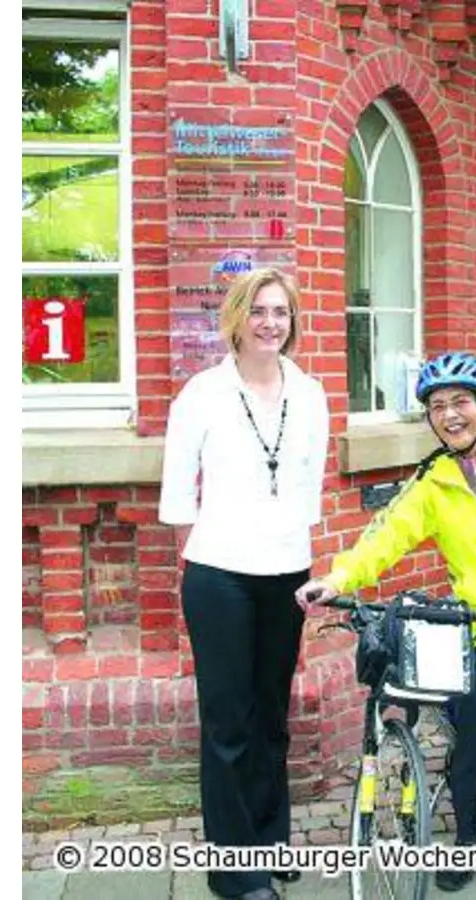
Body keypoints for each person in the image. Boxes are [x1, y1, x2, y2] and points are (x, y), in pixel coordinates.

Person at [294, 351, 476, 900]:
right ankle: (468, 840)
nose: (450, 415)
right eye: (437, 406)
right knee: (471, 746)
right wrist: (339, 578)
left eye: (460, 403)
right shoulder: (432, 483)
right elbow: (386, 534)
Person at [158, 267, 331, 900]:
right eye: (258, 311)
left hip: (286, 574)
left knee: (272, 717)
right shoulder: (201, 393)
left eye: (280, 312)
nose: (270, 323)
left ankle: (268, 836)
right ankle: (233, 871)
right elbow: (178, 496)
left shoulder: (310, 393)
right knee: (228, 722)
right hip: (220, 576)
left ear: (292, 321)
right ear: (237, 317)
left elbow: (308, 487)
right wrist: (208, 558)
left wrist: (297, 554)